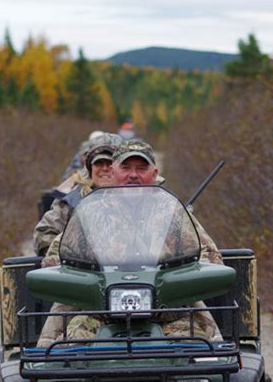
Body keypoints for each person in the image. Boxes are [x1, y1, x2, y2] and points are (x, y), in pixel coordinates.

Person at [37, 140, 223, 347]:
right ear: (114, 171)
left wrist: (178, 281)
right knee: (60, 355)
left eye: (141, 168)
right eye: (126, 168)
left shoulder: (174, 214)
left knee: (203, 351)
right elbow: (55, 263)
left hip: (168, 315)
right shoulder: (89, 213)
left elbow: (211, 260)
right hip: (98, 316)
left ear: (154, 173)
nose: (133, 175)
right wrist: (87, 283)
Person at [33, 133, 122, 256]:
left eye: (111, 163)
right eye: (99, 163)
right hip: (82, 270)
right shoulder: (72, 198)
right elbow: (43, 234)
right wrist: (69, 252)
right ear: (90, 168)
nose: (105, 168)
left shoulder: (136, 195)